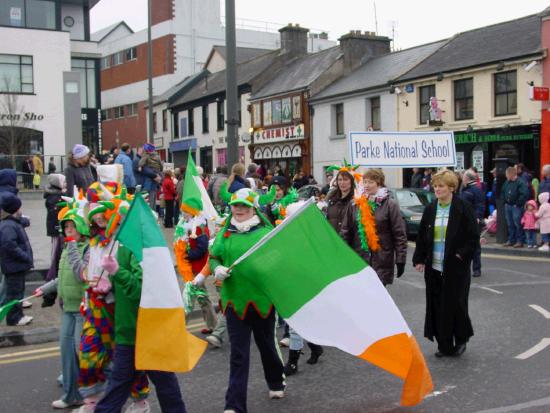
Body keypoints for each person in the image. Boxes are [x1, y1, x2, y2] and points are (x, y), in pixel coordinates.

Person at [209, 188, 284, 412]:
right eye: (236, 205)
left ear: (253, 209)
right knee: (238, 355)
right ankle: (234, 405)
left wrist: (265, 267)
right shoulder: (226, 232)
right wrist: (217, 268)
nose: (239, 209)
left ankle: (276, 381)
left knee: (267, 346)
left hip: (261, 301)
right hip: (235, 302)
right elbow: (214, 257)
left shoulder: (264, 233)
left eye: (244, 206)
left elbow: (277, 261)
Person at [93, 245, 187, 413]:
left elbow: (141, 289)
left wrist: (116, 271)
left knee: (164, 384)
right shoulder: (120, 245)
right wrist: (108, 287)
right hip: (127, 330)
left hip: (147, 331)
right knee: (119, 385)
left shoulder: (138, 246)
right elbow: (124, 287)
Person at [413, 170, 478, 357]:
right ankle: (444, 344)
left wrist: (460, 255)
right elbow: (422, 237)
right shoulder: (431, 208)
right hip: (434, 266)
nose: (437, 189)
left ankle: (461, 338)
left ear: (451, 187)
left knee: (456, 304)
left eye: (441, 186)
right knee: (438, 305)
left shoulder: (463, 207)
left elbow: (473, 237)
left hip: (456, 267)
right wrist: (419, 258)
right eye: (435, 186)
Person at [36, 207, 90, 409]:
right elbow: (62, 277)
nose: (68, 230)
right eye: (66, 226)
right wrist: (46, 287)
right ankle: (70, 395)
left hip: (83, 310)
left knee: (83, 354)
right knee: (67, 354)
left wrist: (75, 247)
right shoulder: (68, 249)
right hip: (68, 308)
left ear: (81, 228)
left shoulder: (87, 249)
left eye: (72, 226)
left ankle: (97, 393)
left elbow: (80, 274)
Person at [174, 194, 216, 332]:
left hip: (197, 268)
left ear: (193, 212)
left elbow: (202, 248)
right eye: (183, 211)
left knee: (189, 295)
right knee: (201, 297)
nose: (183, 214)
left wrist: (186, 255)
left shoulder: (199, 227)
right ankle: (213, 325)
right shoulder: (186, 225)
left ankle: (180, 327)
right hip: (191, 266)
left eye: (186, 211)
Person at [362, 169, 407, 286]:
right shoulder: (358, 203)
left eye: (370, 182)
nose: (367, 185)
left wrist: (400, 259)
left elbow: (399, 233)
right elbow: (348, 231)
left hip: (382, 259)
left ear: (379, 183)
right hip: (361, 259)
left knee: (377, 299)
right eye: (365, 182)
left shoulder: (390, 204)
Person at [0, 194, 33, 326]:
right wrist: (25, 257)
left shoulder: (12, 223)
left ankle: (18, 315)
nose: (21, 210)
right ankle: (14, 317)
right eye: (19, 207)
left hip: (16, 265)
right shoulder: (9, 225)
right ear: (14, 209)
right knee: (14, 294)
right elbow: (9, 245)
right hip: (14, 266)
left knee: (17, 292)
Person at [460, 170, 485, 277]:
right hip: (463, 220)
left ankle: (476, 269)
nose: (462, 179)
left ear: (467, 179)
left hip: (473, 221)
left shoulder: (476, 190)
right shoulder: (464, 189)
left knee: (474, 246)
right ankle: (464, 268)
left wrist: (477, 217)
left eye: (463, 177)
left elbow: (480, 205)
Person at [502, 167, 529, 248]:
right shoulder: (507, 182)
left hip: (516, 206)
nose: (506, 176)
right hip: (508, 205)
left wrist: (517, 204)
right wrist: (505, 201)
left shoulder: (520, 182)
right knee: (510, 224)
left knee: (517, 224)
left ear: (511, 174)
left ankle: (520, 241)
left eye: (506, 174)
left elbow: (524, 194)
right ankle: (511, 240)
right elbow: (503, 191)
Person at [44, 174, 66, 267]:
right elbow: (55, 214)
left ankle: (55, 265)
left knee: (57, 247)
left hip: (56, 226)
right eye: (64, 182)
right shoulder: (55, 197)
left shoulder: (57, 195)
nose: (66, 183)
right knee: (55, 247)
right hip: (55, 227)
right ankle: (53, 267)